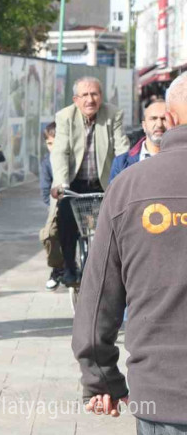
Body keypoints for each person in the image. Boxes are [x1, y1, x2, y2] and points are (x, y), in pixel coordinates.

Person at [72, 74, 187, 435]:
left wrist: (101, 377)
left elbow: (98, 295)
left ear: (168, 118)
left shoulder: (129, 188)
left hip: (163, 395)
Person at [50, 76, 130, 286]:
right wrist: (61, 183)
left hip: (104, 183)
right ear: (76, 99)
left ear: (101, 97)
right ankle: (68, 267)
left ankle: (110, 270)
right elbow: (60, 151)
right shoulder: (65, 116)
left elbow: (122, 149)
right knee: (64, 223)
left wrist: (125, 178)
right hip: (73, 183)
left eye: (94, 94)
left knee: (114, 226)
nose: (90, 100)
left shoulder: (113, 114)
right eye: (84, 95)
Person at [109, 100, 167, 182]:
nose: (159, 124)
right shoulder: (121, 163)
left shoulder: (181, 159)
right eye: (153, 118)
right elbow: (115, 194)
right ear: (144, 125)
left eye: (164, 119)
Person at [39, 122, 64, 290]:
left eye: (56, 143)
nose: (52, 147)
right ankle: (58, 268)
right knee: (49, 234)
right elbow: (45, 191)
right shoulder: (47, 163)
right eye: (49, 143)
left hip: (78, 202)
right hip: (57, 206)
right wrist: (54, 207)